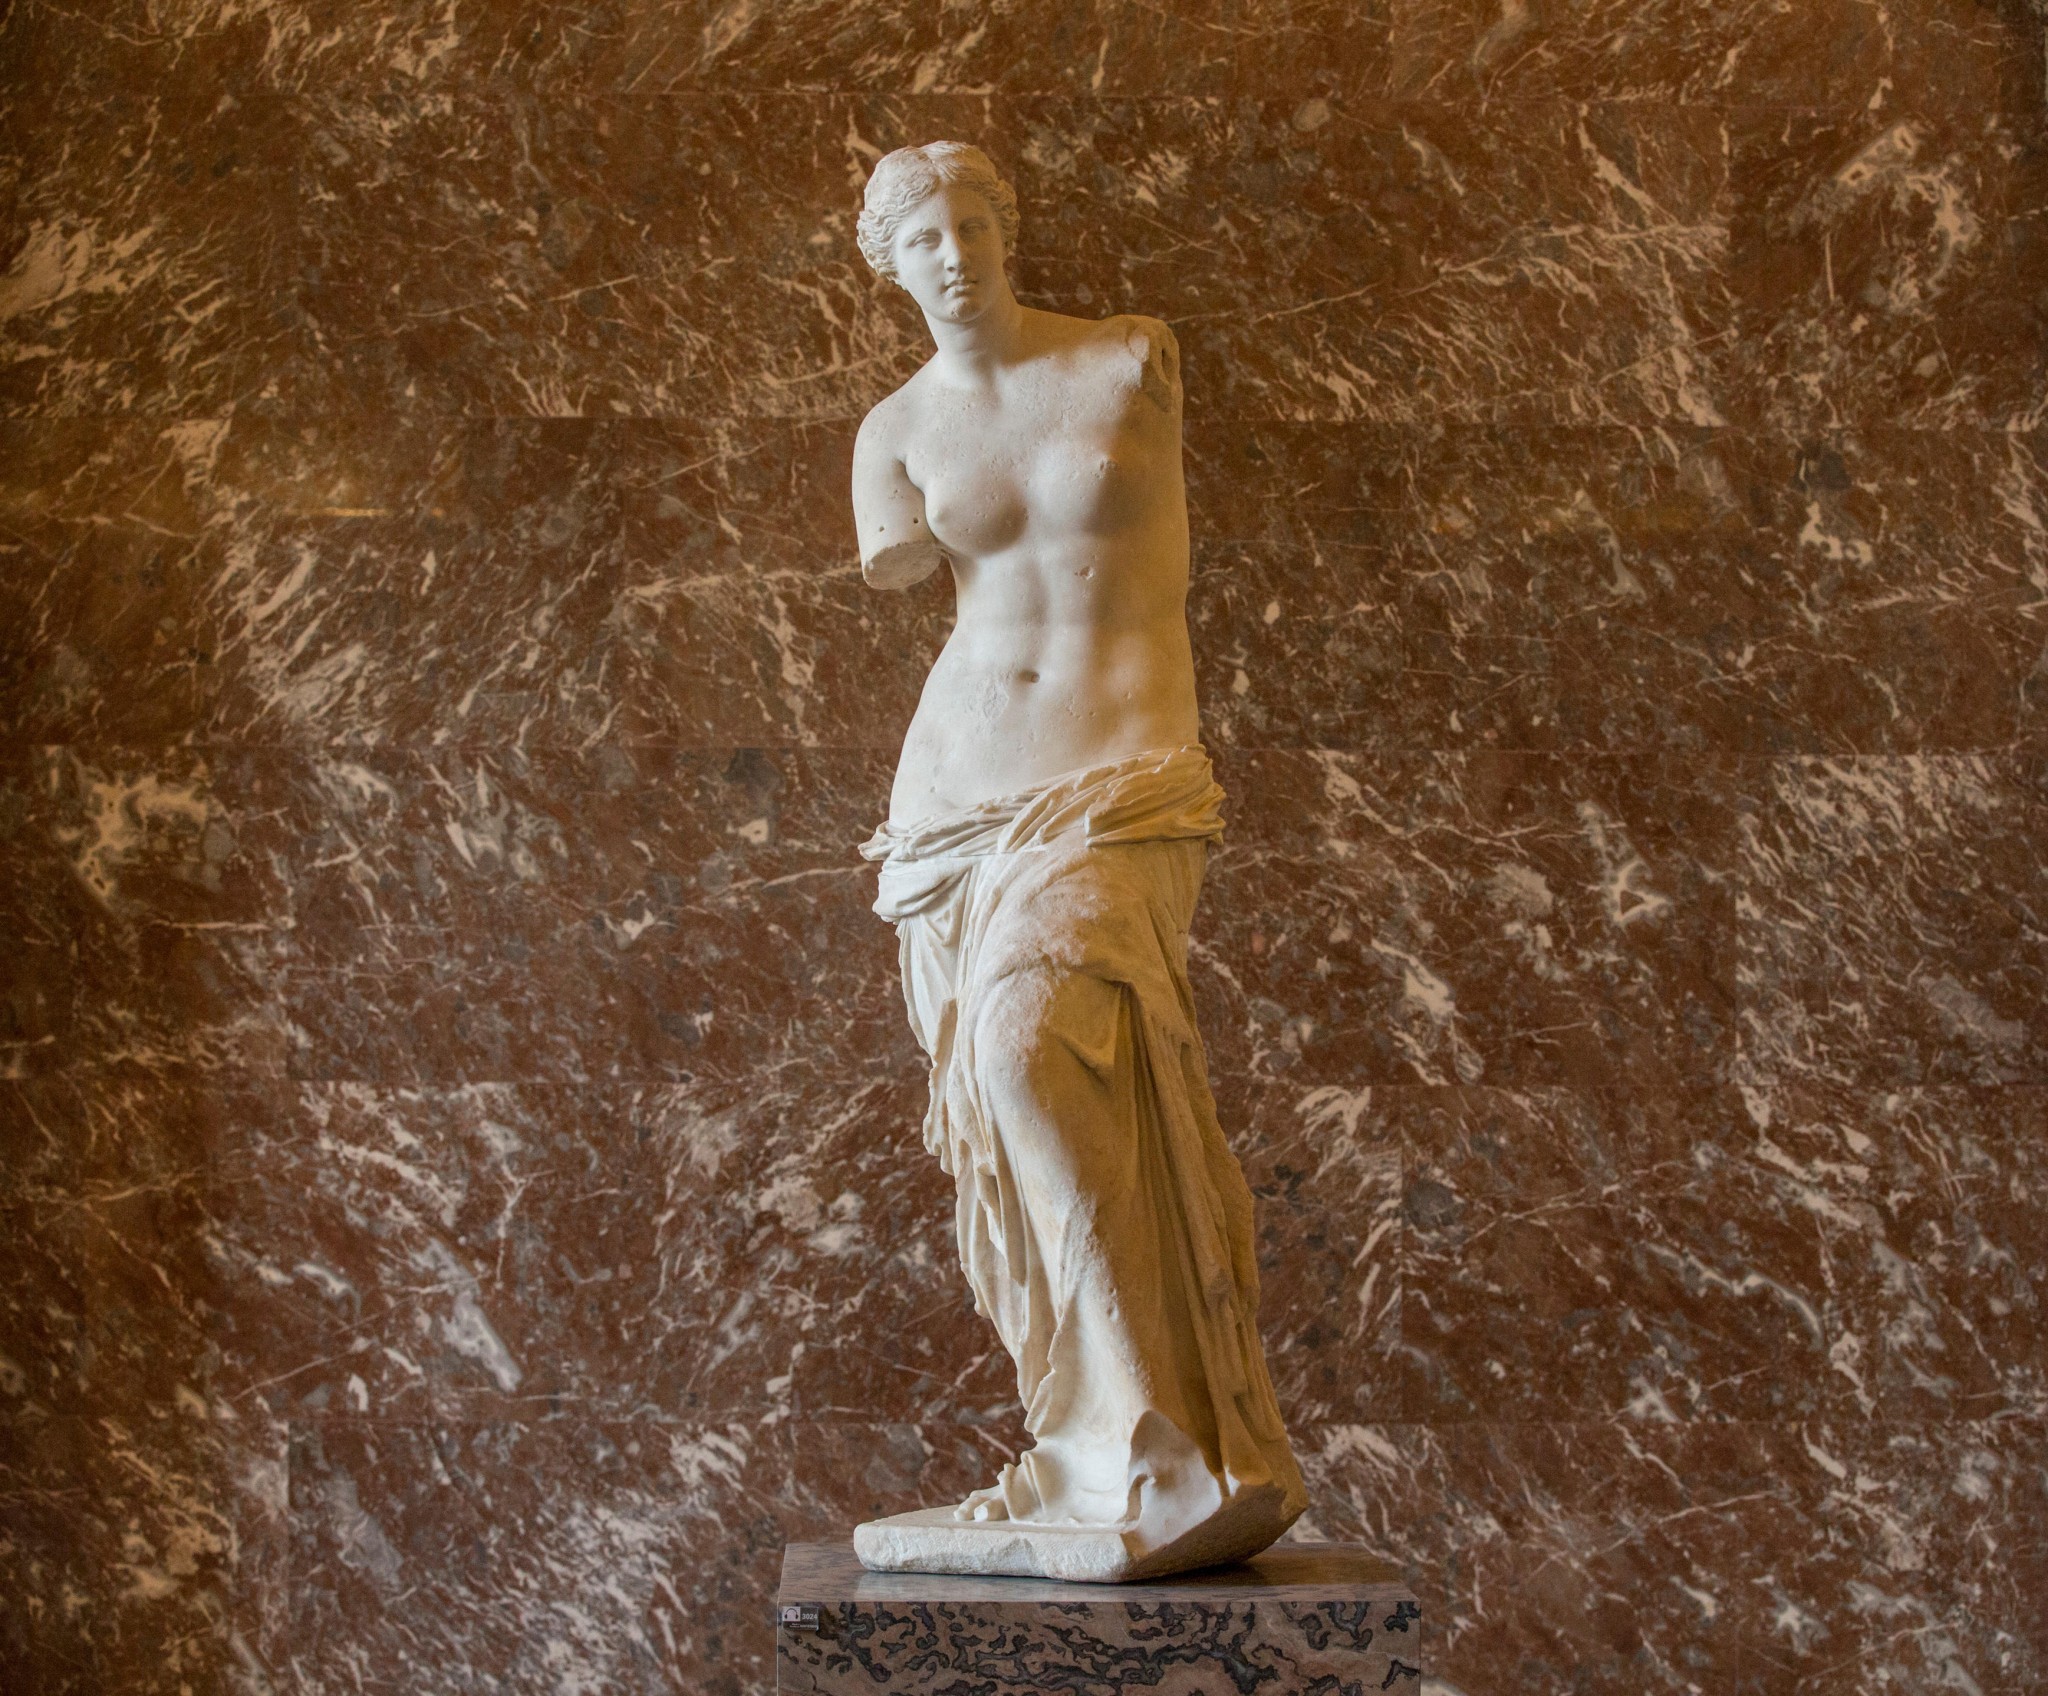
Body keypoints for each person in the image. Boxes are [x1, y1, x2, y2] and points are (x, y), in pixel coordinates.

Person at [849, 141, 1306, 1581]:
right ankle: (1116, 1443)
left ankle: (1165, 1440)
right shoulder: (894, 435)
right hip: (956, 806)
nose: (954, 256)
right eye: (923, 240)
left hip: (1120, 783)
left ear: (1008, 230)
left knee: (1026, 1052)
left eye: (973, 226)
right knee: (1013, 1098)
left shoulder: (1126, 361)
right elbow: (909, 569)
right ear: (890, 268)